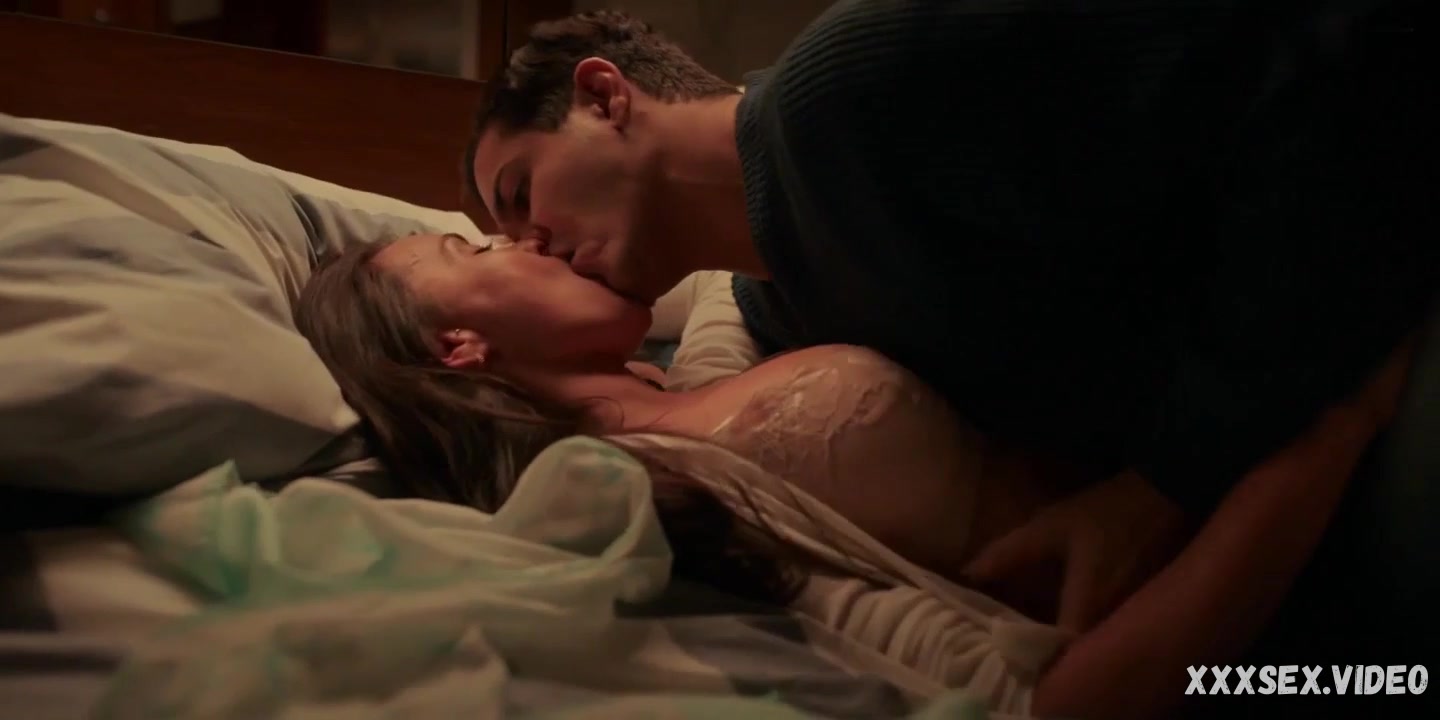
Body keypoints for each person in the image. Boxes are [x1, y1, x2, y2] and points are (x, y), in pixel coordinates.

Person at [462, 1, 1437, 638]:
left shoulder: (857, 85)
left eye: (518, 195)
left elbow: (1331, 51)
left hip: (1381, 348)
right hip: (1293, 552)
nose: (528, 244)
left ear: (604, 96)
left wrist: (1167, 482)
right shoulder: (782, 308)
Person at [295, 232, 1412, 719]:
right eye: (474, 249)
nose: (524, 240)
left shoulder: (689, 379)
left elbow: (722, 268)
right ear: (458, 348)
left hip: (1240, 483)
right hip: (1273, 656)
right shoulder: (649, 488)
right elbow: (1054, 705)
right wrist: (1330, 432)